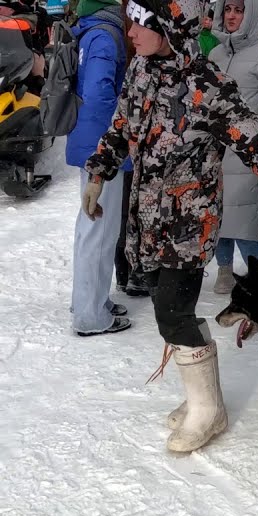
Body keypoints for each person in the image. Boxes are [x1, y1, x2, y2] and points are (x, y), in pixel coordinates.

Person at [85, 0, 258, 451]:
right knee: (171, 311)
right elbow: (120, 127)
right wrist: (99, 171)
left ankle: (208, 411)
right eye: (131, 23)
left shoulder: (208, 86)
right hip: (146, 218)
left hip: (189, 225)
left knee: (170, 312)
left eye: (140, 24)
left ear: (167, 27)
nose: (131, 33)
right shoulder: (141, 69)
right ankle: (205, 395)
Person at [208, 0, 258, 293]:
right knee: (218, 213)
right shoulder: (215, 53)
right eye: (228, 8)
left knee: (245, 219)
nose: (231, 15)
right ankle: (225, 269)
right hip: (214, 150)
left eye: (239, 10)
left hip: (248, 151)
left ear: (251, 13)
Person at [68, 0, 130, 336]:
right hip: (102, 146)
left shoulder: (90, 30)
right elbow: (98, 92)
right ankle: (90, 316)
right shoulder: (106, 36)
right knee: (100, 231)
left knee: (90, 229)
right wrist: (117, 134)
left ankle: (89, 300)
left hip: (90, 140)